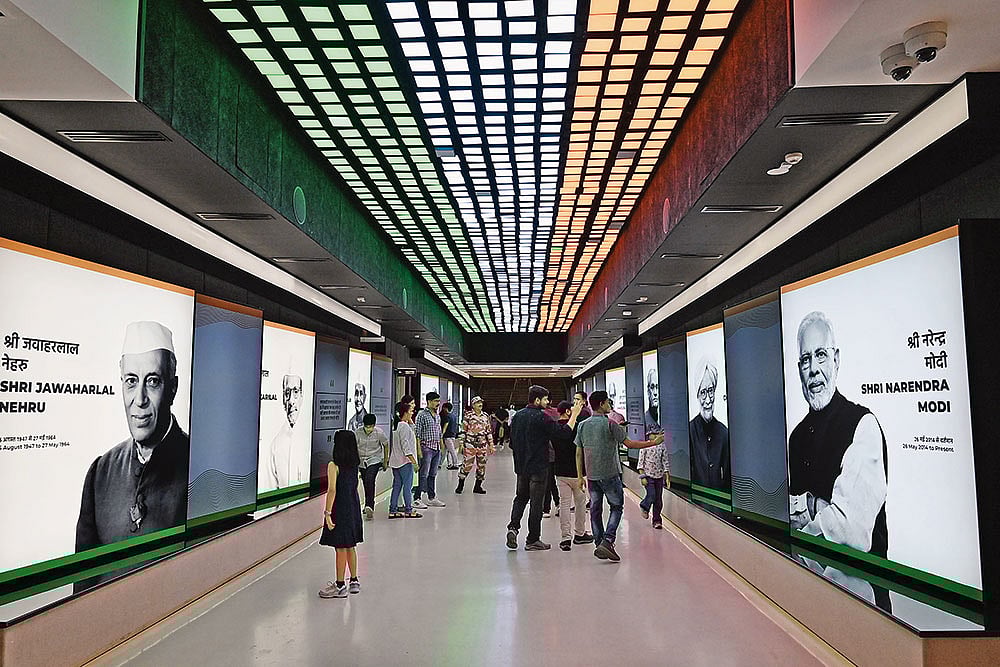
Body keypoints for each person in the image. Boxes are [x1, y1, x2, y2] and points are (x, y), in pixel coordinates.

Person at [75, 322, 189, 590]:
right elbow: (83, 581)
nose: (139, 399)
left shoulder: (199, 471)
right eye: (131, 382)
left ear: (172, 388)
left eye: (152, 382)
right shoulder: (99, 472)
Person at [788, 311, 888, 556]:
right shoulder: (796, 437)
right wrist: (817, 508)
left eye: (821, 355)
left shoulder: (863, 425)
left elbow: (849, 531)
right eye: (805, 359)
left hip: (861, 592)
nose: (813, 369)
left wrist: (806, 507)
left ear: (836, 359)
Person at [576, 390, 664, 562]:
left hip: (592, 476)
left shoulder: (582, 425)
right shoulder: (610, 424)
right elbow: (630, 444)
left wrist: (580, 476)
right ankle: (608, 540)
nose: (610, 404)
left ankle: (599, 542)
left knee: (595, 509)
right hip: (610, 474)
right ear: (601, 404)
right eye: (608, 402)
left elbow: (579, 452)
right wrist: (654, 442)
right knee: (616, 507)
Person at [506, 385, 582, 551]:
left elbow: (512, 443)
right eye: (546, 399)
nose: (548, 403)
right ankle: (533, 539)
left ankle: (513, 527)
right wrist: (574, 415)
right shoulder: (543, 418)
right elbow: (563, 433)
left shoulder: (518, 417)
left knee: (520, 497)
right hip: (539, 467)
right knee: (536, 503)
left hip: (521, 466)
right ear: (537, 400)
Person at [318, 430, 364, 599]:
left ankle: (339, 585)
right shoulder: (354, 466)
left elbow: (332, 491)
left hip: (340, 509)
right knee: (351, 546)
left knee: (340, 548)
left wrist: (328, 513)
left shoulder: (333, 466)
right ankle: (354, 580)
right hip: (353, 507)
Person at [551, 401, 593, 551]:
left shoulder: (555, 428)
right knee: (580, 504)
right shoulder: (578, 427)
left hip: (560, 471)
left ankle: (565, 538)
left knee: (564, 504)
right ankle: (580, 533)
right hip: (577, 472)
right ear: (569, 411)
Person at [688, 359, 730, 491]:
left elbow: (728, 475)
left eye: (711, 391)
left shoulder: (723, 432)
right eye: (703, 392)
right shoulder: (690, 430)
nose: (708, 399)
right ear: (697, 395)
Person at [266, 373, 305, 489]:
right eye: (287, 393)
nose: (291, 400)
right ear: (283, 400)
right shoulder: (275, 445)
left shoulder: (309, 441)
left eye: (296, 392)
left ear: (302, 397)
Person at [388, 401, 421, 519]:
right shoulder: (404, 427)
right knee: (408, 486)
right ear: (405, 413)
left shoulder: (396, 426)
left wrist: (410, 421)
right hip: (405, 462)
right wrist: (413, 461)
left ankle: (393, 509)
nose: (412, 413)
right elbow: (405, 445)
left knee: (397, 486)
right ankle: (408, 509)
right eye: (411, 411)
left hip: (395, 461)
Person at [455, 396, 494, 495]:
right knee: (467, 465)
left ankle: (478, 486)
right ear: (473, 405)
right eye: (477, 403)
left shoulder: (485, 416)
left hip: (482, 444)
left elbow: (488, 431)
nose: (480, 404)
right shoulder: (468, 416)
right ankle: (460, 485)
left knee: (482, 465)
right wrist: (461, 444)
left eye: (481, 402)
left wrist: (491, 445)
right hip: (470, 444)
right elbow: (463, 431)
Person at [413, 392, 446, 508]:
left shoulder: (437, 416)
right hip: (426, 448)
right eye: (436, 401)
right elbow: (417, 434)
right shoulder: (421, 415)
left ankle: (431, 497)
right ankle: (417, 498)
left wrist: (441, 447)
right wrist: (419, 450)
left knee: (433, 474)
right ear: (429, 401)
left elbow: (439, 432)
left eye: (438, 401)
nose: (438, 403)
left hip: (436, 448)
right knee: (423, 474)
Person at [354, 413, 388, 520]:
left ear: (374, 425)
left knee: (370, 478)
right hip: (361, 461)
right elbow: (353, 446)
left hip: (374, 459)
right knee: (365, 482)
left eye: (371, 426)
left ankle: (370, 505)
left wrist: (385, 460)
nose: (368, 428)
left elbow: (386, 445)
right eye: (367, 426)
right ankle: (367, 504)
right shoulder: (357, 432)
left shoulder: (379, 433)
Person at [638, 434, 670, 529]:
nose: (656, 436)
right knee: (651, 494)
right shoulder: (644, 445)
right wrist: (642, 476)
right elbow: (640, 462)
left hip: (659, 477)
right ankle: (644, 506)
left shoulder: (662, 446)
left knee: (658, 500)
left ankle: (657, 520)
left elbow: (665, 461)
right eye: (653, 434)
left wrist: (667, 476)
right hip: (648, 476)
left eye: (657, 434)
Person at [441, 402, 461, 470]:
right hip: (453, 435)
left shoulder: (447, 416)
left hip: (447, 436)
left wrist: (442, 434)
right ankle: (449, 463)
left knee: (451, 451)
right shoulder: (454, 416)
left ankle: (455, 464)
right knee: (448, 451)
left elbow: (446, 425)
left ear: (446, 408)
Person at [643, 369, 661, 436]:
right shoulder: (644, 419)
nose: (655, 393)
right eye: (652, 387)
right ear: (648, 391)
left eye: (657, 387)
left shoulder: (666, 418)